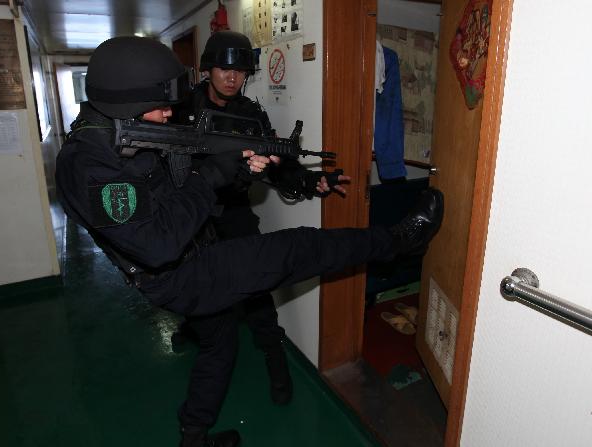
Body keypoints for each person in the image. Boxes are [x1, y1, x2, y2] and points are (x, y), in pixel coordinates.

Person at [55, 36, 444, 447]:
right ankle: (400, 241)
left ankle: (194, 437)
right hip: (180, 273)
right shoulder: (87, 164)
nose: (171, 114)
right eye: (162, 105)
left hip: (198, 246)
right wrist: (212, 176)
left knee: (220, 344)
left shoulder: (121, 131)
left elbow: (174, 189)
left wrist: (238, 171)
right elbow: (157, 243)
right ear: (125, 101)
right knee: (300, 249)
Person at [168, 30, 351, 433]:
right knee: (189, 281)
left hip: (233, 211)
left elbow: (277, 163)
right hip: (190, 213)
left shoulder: (251, 115)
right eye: (224, 68)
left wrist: (309, 182)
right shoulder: (180, 108)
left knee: (256, 292)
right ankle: (190, 326)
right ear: (208, 69)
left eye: (239, 71)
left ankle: (275, 360)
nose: (232, 78)